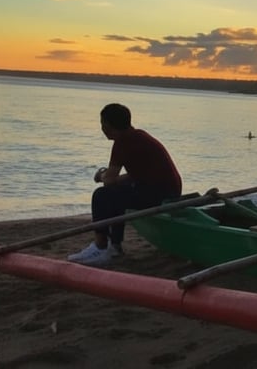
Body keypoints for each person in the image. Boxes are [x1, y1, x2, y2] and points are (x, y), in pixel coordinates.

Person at [68, 103, 182, 266]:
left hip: (159, 194)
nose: (102, 128)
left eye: (102, 124)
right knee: (116, 192)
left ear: (108, 125)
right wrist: (110, 177)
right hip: (168, 190)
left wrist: (100, 175)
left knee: (101, 195)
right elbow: (135, 175)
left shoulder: (123, 142)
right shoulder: (139, 136)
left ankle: (101, 246)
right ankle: (114, 246)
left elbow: (109, 180)